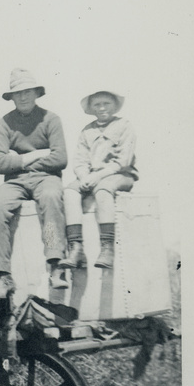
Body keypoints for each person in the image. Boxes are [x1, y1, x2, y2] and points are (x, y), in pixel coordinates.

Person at [0, 69, 68, 299]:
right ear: (11, 97)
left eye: (27, 92)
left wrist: (18, 162)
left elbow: (61, 158)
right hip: (16, 182)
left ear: (36, 93)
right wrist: (32, 157)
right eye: (17, 93)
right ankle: (3, 276)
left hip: (46, 178)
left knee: (51, 198)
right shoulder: (3, 123)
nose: (23, 97)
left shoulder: (51, 119)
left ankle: (55, 265)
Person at [59, 90, 137, 271]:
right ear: (91, 108)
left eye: (106, 104)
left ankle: (107, 248)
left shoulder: (124, 125)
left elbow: (123, 161)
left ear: (114, 106)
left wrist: (97, 176)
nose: (102, 108)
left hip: (119, 175)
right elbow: (79, 160)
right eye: (97, 105)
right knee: (69, 192)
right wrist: (84, 176)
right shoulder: (87, 131)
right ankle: (76, 247)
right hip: (91, 176)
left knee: (102, 191)